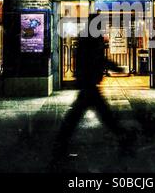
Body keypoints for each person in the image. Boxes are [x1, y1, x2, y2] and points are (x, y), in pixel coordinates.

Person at [49, 13, 135, 170]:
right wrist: (115, 67)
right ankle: (122, 135)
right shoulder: (91, 39)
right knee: (96, 113)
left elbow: (95, 59)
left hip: (88, 83)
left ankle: (60, 143)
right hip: (88, 83)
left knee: (88, 113)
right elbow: (98, 59)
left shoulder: (88, 37)